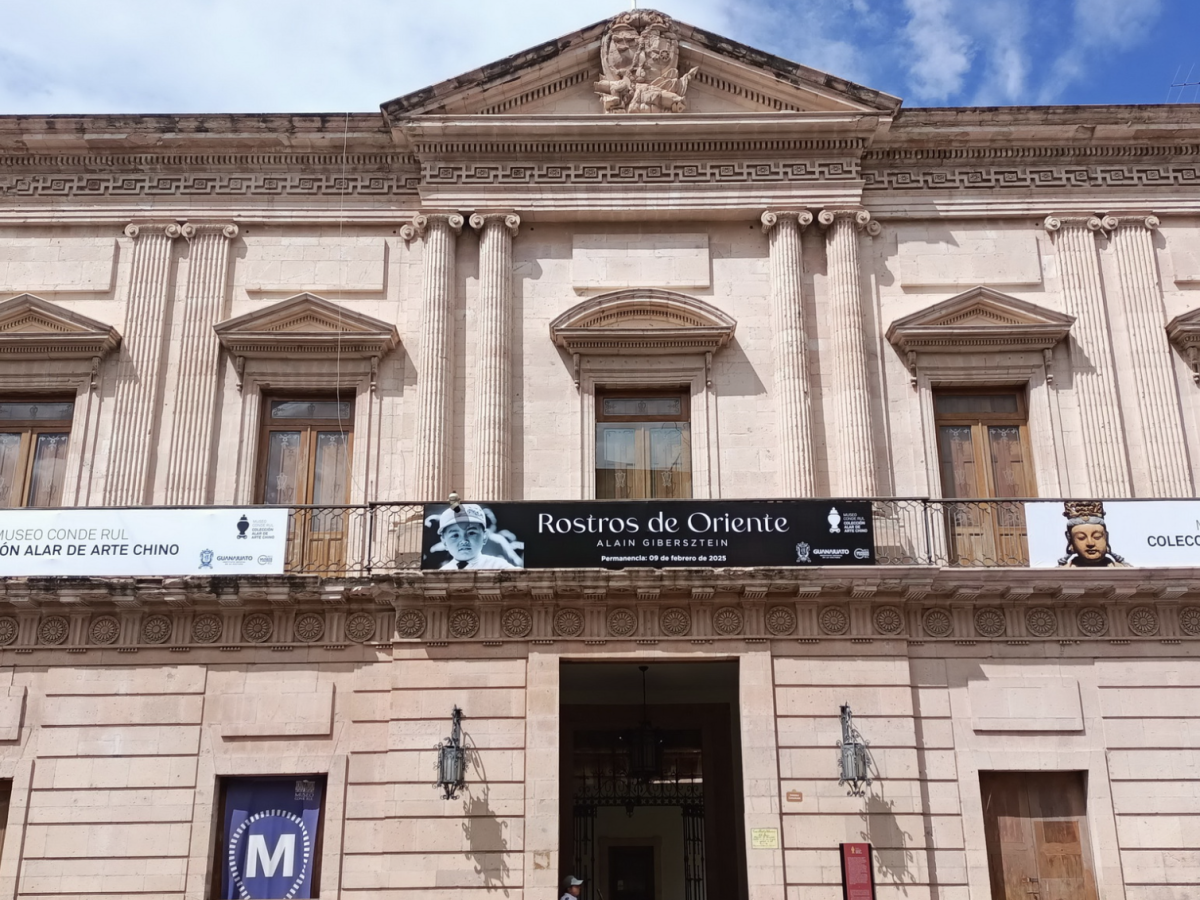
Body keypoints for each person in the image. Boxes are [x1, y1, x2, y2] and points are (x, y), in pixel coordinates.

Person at [436, 504, 519, 570]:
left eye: (471, 533)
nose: (464, 540)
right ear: (444, 542)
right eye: (455, 535)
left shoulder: (499, 567)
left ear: (485, 537)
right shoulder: (441, 574)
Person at [1057, 500, 1129, 567]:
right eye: (1081, 538)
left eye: (1097, 537)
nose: (1090, 543)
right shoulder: (1060, 573)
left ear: (1106, 537)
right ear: (1070, 541)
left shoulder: (1124, 570)